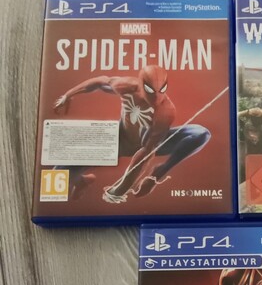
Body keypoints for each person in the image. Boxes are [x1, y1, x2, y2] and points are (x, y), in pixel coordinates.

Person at [53, 65, 210, 202]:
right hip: (118, 140)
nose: (157, 96)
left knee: (200, 133)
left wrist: (121, 188)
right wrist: (68, 95)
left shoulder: (165, 111)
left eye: (162, 90)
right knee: (57, 175)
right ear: (141, 84)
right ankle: (82, 182)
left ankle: (160, 171)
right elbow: (100, 82)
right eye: (150, 90)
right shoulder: (127, 86)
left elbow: (147, 151)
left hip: (146, 143)